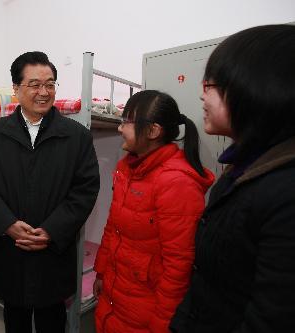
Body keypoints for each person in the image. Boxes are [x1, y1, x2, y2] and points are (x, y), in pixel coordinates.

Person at [169, 24, 295, 333]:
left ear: (259, 87)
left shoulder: (285, 191)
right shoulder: (239, 170)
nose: (201, 93)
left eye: (211, 83)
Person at [0, 51, 100, 333]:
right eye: (34, 84)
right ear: (16, 88)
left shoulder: (76, 136)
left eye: (50, 84)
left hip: (53, 252)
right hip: (9, 250)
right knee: (15, 317)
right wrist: (7, 225)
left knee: (52, 319)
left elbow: (85, 190)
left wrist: (51, 230)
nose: (44, 92)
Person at [93, 90, 215, 333]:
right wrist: (101, 272)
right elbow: (113, 227)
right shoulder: (126, 168)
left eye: (127, 121)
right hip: (116, 298)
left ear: (153, 131)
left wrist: (163, 324)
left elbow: (178, 266)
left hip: (146, 313)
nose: (120, 129)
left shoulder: (176, 182)